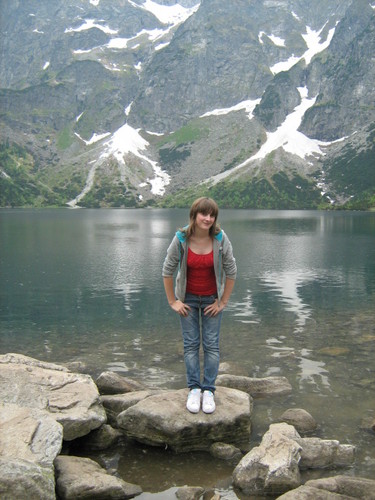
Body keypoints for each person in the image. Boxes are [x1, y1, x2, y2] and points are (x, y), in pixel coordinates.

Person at [162, 197, 237, 414]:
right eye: (204, 214)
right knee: (191, 345)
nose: (208, 218)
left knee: (211, 345)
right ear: (194, 215)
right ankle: (194, 388)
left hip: (212, 299)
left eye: (212, 215)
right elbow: (167, 270)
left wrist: (223, 301)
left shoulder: (220, 238)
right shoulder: (181, 238)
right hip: (188, 301)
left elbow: (231, 271)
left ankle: (209, 390)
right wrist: (172, 301)